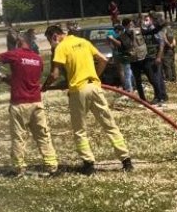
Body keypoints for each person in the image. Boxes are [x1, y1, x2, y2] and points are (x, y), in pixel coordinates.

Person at [43, 25, 133, 175]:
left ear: (54, 36)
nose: (50, 44)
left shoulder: (61, 47)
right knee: (109, 125)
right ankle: (126, 161)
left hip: (78, 90)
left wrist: (45, 86)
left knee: (80, 130)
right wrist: (96, 76)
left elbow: (54, 75)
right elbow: (103, 60)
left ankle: (89, 164)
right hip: (95, 87)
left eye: (49, 41)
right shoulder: (83, 42)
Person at [0, 38, 58, 176]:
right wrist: (5, 78)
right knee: (43, 135)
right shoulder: (38, 59)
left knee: (19, 137)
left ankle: (19, 168)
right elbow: (26, 80)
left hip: (19, 104)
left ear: (18, 44)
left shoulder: (16, 54)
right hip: (36, 103)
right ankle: (52, 165)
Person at [120, 18, 167, 105]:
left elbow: (152, 32)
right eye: (128, 25)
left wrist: (161, 26)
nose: (131, 27)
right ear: (124, 26)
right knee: (138, 81)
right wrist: (126, 54)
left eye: (131, 25)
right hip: (134, 61)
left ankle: (159, 97)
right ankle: (142, 100)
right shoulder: (122, 37)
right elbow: (122, 49)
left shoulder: (139, 31)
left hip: (144, 59)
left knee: (152, 79)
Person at [141, 15, 169, 105]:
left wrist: (159, 57)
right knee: (156, 78)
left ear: (151, 21)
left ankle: (159, 97)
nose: (145, 22)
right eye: (144, 20)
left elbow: (161, 44)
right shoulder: (145, 31)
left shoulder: (155, 30)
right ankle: (162, 96)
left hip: (154, 57)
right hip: (147, 57)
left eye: (147, 20)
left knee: (155, 78)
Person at [107, 24, 134, 93]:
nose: (116, 33)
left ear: (119, 30)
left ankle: (129, 89)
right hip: (128, 55)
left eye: (116, 31)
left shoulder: (122, 36)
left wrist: (112, 39)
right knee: (129, 71)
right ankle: (132, 86)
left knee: (126, 73)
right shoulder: (127, 34)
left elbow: (120, 45)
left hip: (125, 56)